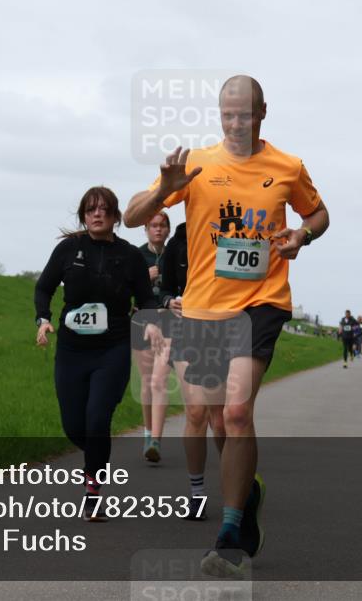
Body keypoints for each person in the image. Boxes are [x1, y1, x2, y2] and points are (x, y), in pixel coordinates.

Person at [124, 75, 329, 578]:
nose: (237, 124)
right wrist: (165, 191)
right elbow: (131, 216)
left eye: (246, 114)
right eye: (228, 115)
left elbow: (319, 213)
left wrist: (301, 235)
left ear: (263, 112)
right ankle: (248, 492)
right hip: (203, 309)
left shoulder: (287, 167)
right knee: (211, 414)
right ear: (220, 116)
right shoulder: (197, 164)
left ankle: (231, 535)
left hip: (262, 302)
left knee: (236, 412)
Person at [34, 186, 162, 521]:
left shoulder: (130, 256)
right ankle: (99, 456)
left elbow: (147, 299)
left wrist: (149, 322)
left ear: (116, 216)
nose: (97, 214)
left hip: (113, 349)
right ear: (83, 215)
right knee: (75, 426)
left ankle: (92, 492)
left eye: (104, 209)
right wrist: (43, 319)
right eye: (90, 209)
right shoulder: (68, 250)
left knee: (97, 419)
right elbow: (44, 287)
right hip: (72, 350)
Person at [161, 222, 226, 521]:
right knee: (196, 413)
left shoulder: (231, 231)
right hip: (186, 330)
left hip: (223, 330)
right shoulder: (179, 240)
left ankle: (236, 480)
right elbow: (165, 286)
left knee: (222, 419)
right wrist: (168, 300)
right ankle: (196, 493)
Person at [135, 212, 173, 463]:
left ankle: (156, 441)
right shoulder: (137, 256)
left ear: (168, 230)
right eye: (153, 226)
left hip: (169, 321)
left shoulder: (176, 254)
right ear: (146, 229)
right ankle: (148, 433)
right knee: (147, 381)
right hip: (140, 320)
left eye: (162, 226)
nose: (158, 230)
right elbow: (125, 288)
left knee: (159, 380)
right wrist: (142, 277)